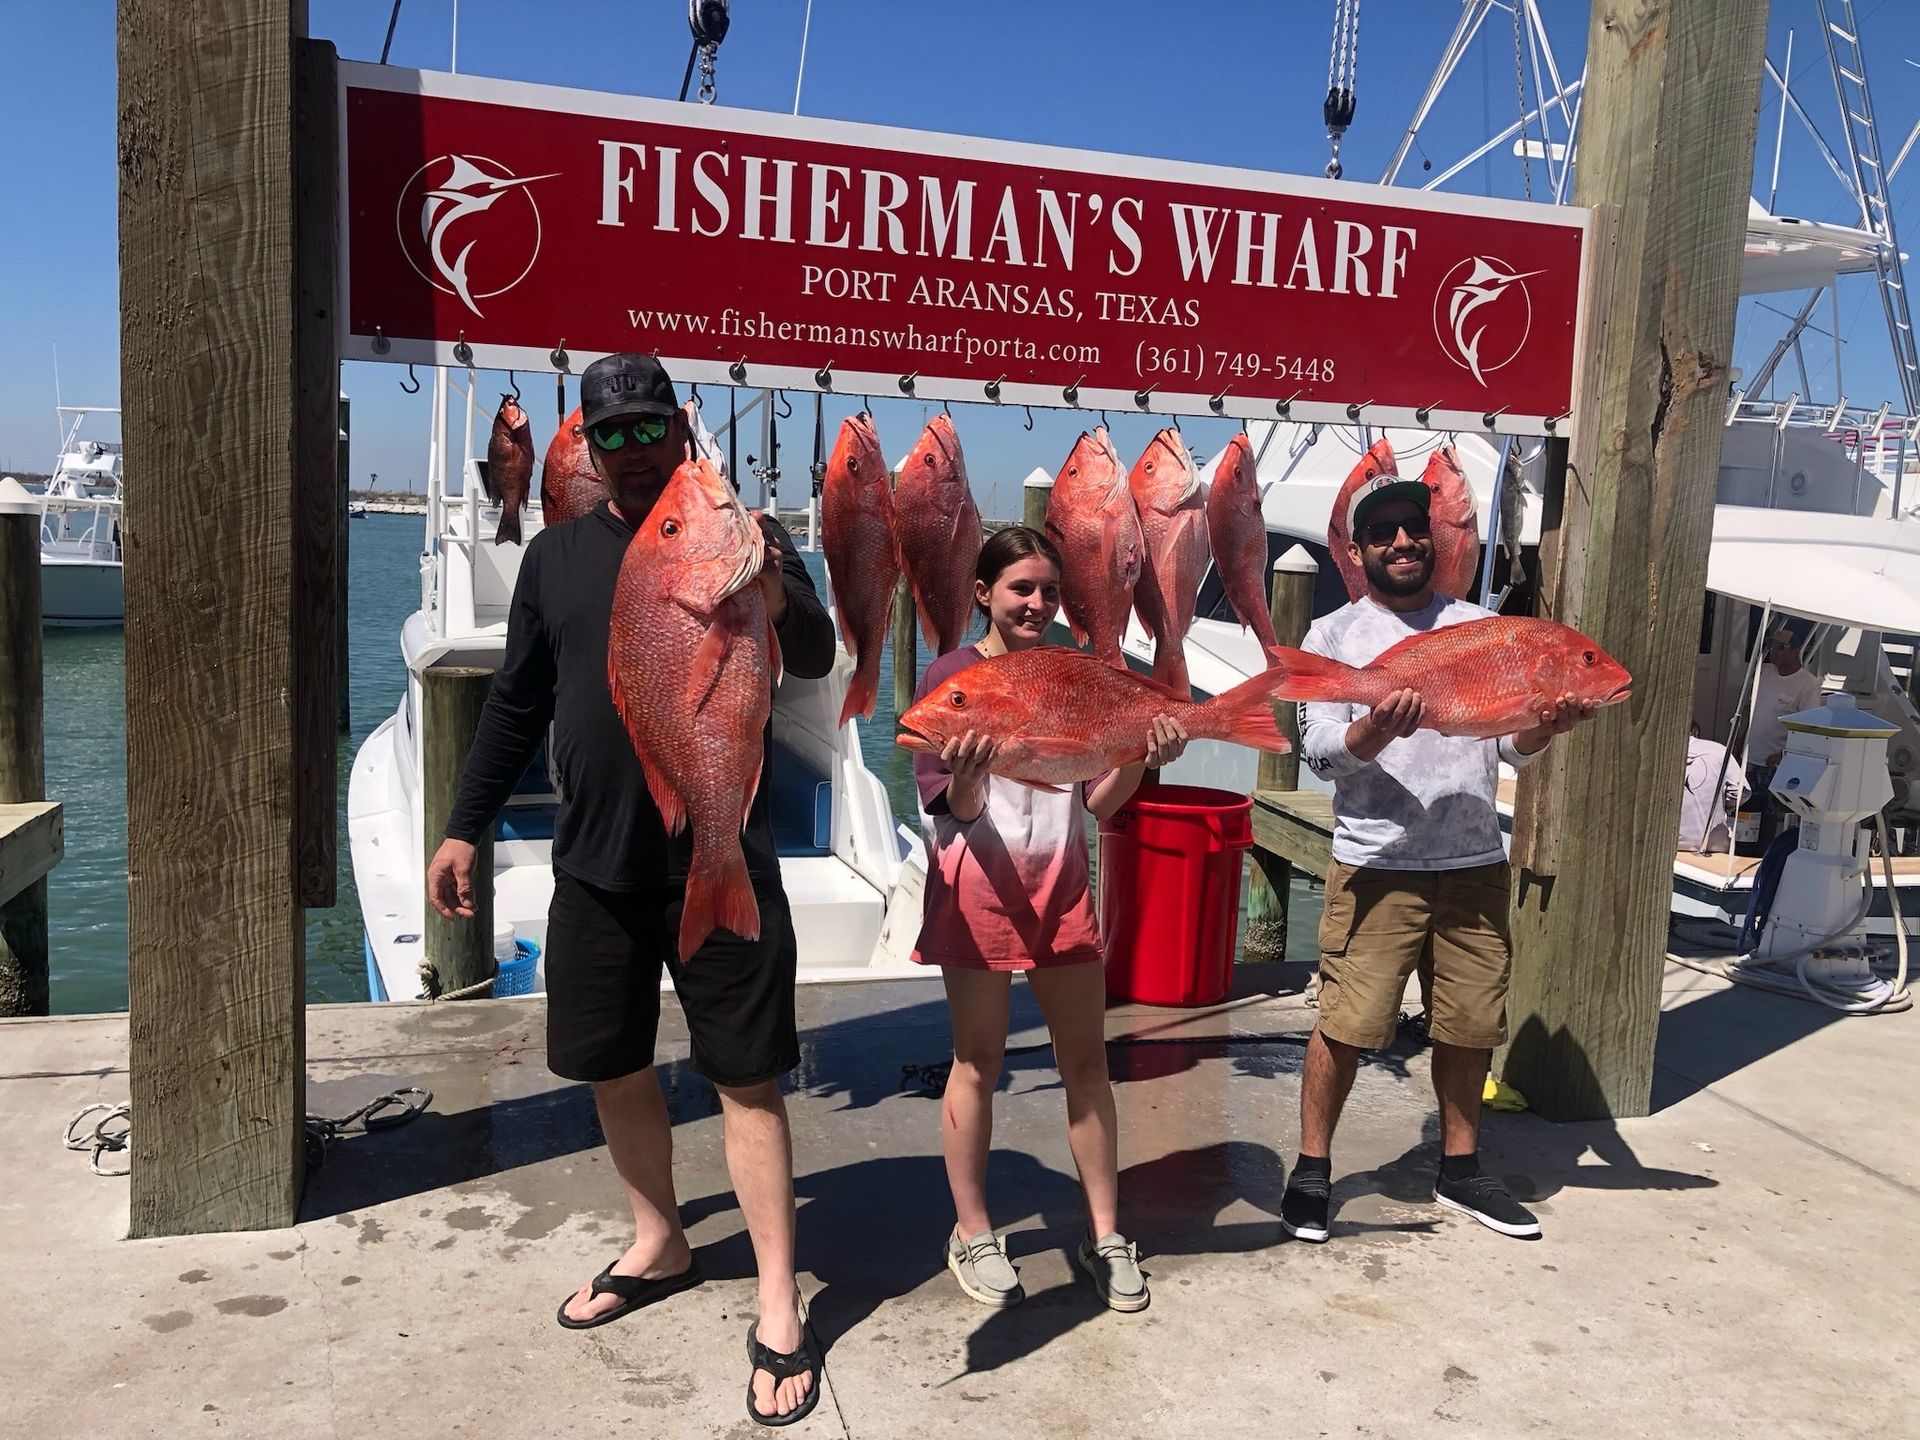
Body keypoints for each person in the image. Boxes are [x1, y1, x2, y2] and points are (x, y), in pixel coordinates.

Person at [426, 354, 836, 1427]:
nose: (635, 449)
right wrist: (464, 826)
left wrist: (777, 581)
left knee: (748, 1076)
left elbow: (816, 649)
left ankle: (780, 1301)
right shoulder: (555, 556)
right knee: (610, 1065)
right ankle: (659, 1240)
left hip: (722, 850)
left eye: (652, 428)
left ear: (681, 435)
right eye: (610, 435)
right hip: (595, 865)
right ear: (586, 448)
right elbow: (515, 706)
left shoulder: (747, 540)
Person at [1280, 472, 1599, 1243]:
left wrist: (1544, 727)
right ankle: (1313, 1170)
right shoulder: (1330, 639)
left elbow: (1509, 749)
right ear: (1356, 552)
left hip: (1474, 864)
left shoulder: (1483, 627)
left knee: (1469, 1026)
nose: (1402, 541)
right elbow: (1319, 753)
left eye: (1413, 528)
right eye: (1383, 532)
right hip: (1377, 866)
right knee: (1346, 1025)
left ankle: (1461, 1170)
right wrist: (1375, 729)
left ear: (1435, 537)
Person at [910, 525, 1187, 1313]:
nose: (1037, 604)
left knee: (1088, 1064)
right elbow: (955, 811)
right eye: (1021, 589)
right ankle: (973, 1230)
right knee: (978, 1062)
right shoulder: (953, 678)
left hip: (1063, 888)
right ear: (983, 594)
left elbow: (1099, 802)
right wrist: (968, 776)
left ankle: (1105, 1233)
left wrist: (1138, 750)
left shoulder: (1073, 673)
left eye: (1050, 591)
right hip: (976, 889)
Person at [1746, 626, 1823, 827]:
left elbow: (1809, 728)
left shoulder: (1808, 684)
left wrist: (1784, 755)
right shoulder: (1765, 671)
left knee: (1769, 817)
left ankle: (1765, 856)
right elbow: (1752, 710)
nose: (1774, 651)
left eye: (1780, 646)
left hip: (1774, 763)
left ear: (1795, 651)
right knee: (1744, 812)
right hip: (1750, 758)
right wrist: (1739, 743)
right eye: (1772, 645)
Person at [1679, 721, 1747, 854]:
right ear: (1695, 732)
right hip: (1713, 846)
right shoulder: (1718, 749)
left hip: (1666, 845)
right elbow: (1742, 791)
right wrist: (1720, 805)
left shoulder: (1658, 749)